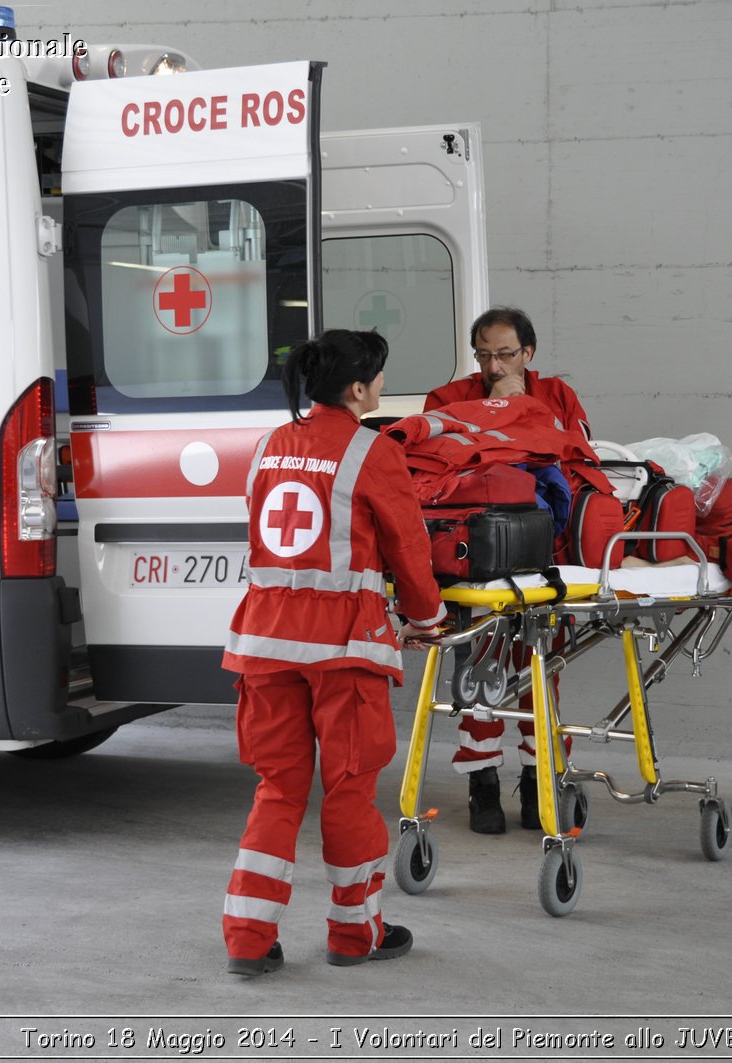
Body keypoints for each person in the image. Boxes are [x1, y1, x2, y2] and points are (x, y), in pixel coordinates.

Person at [221, 329, 445, 977]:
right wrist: (426, 618)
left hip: (263, 645)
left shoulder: (268, 447)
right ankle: (355, 935)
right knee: (348, 791)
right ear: (357, 389)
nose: (380, 387)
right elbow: (408, 549)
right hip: (341, 651)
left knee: (278, 789)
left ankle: (247, 938)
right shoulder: (371, 452)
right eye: (377, 378)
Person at [424, 306, 589, 835]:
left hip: (544, 555)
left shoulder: (557, 397)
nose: (493, 365)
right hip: (478, 556)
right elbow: (436, 468)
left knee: (541, 674)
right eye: (484, 355)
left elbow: (578, 458)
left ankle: (543, 780)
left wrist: (522, 408)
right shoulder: (449, 399)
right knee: (478, 673)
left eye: (504, 354)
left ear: (529, 353)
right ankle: (483, 784)